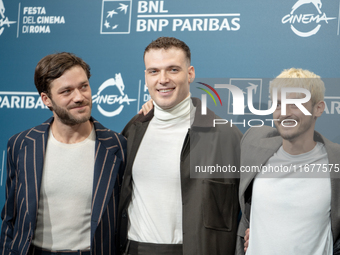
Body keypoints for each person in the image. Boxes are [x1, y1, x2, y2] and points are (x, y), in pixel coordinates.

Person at [117, 37, 243, 255]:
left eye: (173, 69)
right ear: (146, 77)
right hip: (134, 248)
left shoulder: (225, 135)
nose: (163, 79)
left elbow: (250, 204)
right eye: (154, 71)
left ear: (190, 73)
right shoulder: (134, 128)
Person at [0, 52, 126, 255]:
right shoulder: (21, 145)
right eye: (66, 91)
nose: (79, 97)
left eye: (83, 86)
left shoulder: (117, 146)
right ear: (46, 99)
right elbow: (10, 218)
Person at [236, 68, 340, 255]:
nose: (284, 113)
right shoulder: (253, 145)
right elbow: (248, 210)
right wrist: (254, 231)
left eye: (295, 104)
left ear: (318, 108)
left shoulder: (335, 161)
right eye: (278, 104)